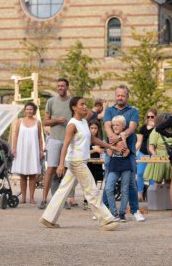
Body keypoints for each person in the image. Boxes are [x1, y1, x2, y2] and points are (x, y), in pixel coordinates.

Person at [40, 97, 119, 231]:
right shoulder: (72, 124)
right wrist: (60, 164)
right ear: (74, 107)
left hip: (78, 161)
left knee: (63, 190)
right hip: (76, 162)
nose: (84, 106)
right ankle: (106, 220)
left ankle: (48, 218)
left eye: (85, 104)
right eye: (81, 104)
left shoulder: (83, 122)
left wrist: (111, 147)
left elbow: (92, 138)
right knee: (91, 189)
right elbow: (65, 145)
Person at [103, 85, 145, 222]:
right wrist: (113, 142)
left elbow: (132, 127)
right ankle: (105, 210)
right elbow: (107, 127)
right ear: (115, 96)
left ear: (127, 96)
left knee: (131, 184)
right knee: (108, 182)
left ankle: (135, 210)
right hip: (112, 150)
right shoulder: (109, 110)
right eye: (118, 95)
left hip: (129, 152)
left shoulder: (133, 111)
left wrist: (120, 138)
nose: (120, 98)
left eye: (123, 95)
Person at [39, 78, 72, 210]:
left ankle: (63, 199)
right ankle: (43, 199)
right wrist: (57, 120)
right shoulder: (51, 101)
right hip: (54, 139)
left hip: (69, 140)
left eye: (62, 86)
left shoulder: (72, 102)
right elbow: (45, 122)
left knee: (66, 169)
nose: (60, 88)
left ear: (67, 87)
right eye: (58, 86)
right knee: (51, 169)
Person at [12, 102, 44, 204]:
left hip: (33, 150)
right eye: (27, 109)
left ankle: (32, 197)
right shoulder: (19, 121)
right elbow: (16, 135)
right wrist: (13, 148)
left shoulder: (38, 122)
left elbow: (39, 137)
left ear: (34, 111)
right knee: (23, 175)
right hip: (21, 150)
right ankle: (23, 198)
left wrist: (41, 150)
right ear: (24, 110)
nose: (29, 111)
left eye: (31, 109)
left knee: (33, 175)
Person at [104, 115, 132, 221]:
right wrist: (115, 142)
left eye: (117, 125)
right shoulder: (110, 138)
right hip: (114, 165)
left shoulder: (127, 137)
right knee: (108, 188)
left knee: (124, 189)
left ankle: (122, 213)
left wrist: (122, 139)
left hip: (126, 165)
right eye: (113, 125)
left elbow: (125, 154)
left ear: (123, 126)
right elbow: (110, 153)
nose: (115, 127)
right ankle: (114, 212)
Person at [143, 113, 172, 184]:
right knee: (157, 181)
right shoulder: (156, 131)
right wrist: (154, 154)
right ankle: (157, 195)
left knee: (170, 182)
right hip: (160, 157)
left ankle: (168, 195)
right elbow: (151, 146)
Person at [135, 108, 157, 200]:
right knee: (140, 173)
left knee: (152, 175)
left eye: (152, 116)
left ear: (155, 117)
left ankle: (151, 194)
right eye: (148, 117)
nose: (150, 118)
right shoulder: (143, 128)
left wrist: (155, 126)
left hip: (153, 154)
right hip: (143, 153)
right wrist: (134, 151)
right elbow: (139, 142)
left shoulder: (158, 128)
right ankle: (140, 193)